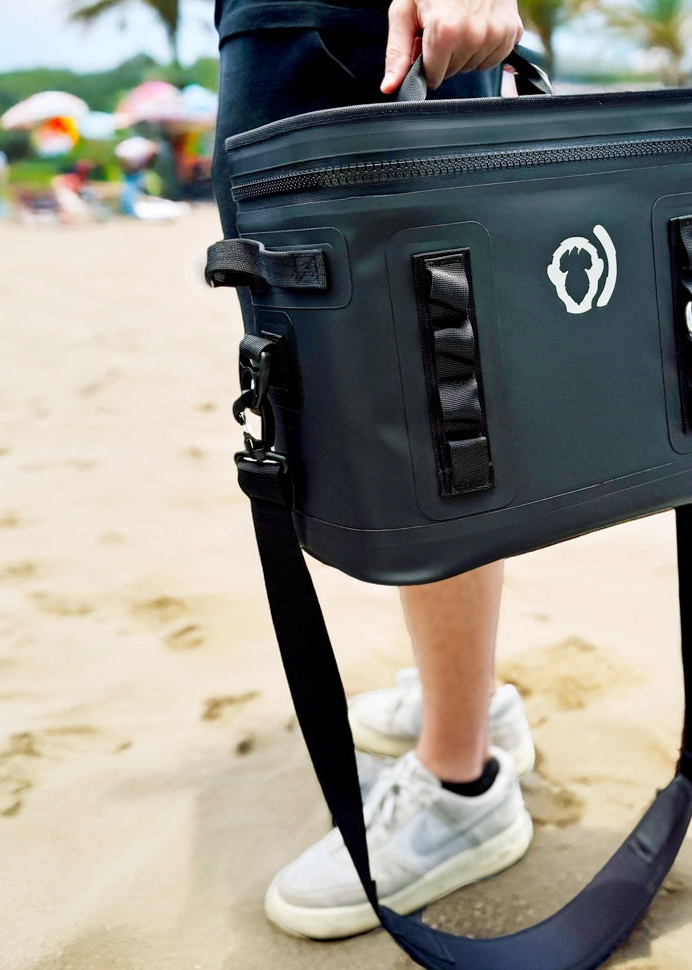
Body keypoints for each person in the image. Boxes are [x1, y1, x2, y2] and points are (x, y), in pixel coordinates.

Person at [211, 0, 536, 942]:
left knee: (424, 401)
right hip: (283, 27)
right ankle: (464, 700)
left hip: (368, 31)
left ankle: (459, 782)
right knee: (385, 399)